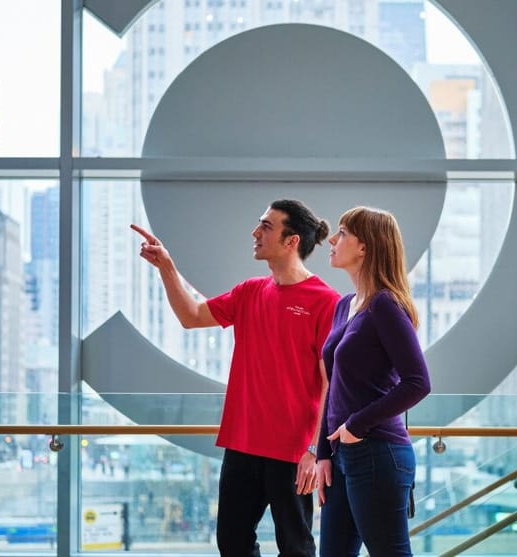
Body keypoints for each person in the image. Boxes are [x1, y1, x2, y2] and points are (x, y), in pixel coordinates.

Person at [132, 199, 340, 556]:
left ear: (291, 241)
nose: (255, 232)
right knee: (232, 542)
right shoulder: (249, 292)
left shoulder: (325, 301)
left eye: (266, 226)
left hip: (293, 451)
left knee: (295, 547)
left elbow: (330, 384)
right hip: (242, 444)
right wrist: (166, 266)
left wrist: (313, 450)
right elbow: (192, 315)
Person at [315, 206, 431, 557]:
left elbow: (418, 382)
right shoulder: (344, 305)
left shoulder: (385, 305)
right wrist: (323, 453)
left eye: (343, 233)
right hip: (340, 455)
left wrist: (356, 425)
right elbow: (332, 387)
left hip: (378, 452)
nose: (332, 240)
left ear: (364, 248)